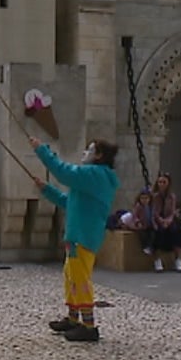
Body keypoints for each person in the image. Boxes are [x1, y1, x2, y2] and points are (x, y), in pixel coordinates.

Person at [30, 137, 120, 342]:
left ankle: (89, 326)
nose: (84, 153)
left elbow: (64, 172)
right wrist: (46, 189)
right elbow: (68, 202)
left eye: (89, 150)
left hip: (83, 236)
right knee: (71, 276)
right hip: (77, 236)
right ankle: (73, 319)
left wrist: (42, 150)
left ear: (99, 156)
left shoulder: (95, 175)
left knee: (80, 280)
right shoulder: (92, 178)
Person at [150, 172, 181, 273]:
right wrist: (161, 221)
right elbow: (155, 212)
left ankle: (178, 259)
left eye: (164, 182)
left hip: (169, 219)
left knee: (176, 231)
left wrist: (168, 221)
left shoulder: (172, 196)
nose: (161, 184)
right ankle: (157, 260)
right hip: (157, 220)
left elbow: (172, 211)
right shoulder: (155, 196)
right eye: (160, 182)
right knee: (158, 232)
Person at [121, 188, 155, 255]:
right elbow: (135, 216)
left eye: (146, 198)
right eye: (142, 198)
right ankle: (145, 246)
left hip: (148, 225)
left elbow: (152, 216)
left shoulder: (150, 207)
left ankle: (151, 246)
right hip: (139, 225)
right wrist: (138, 222)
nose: (144, 200)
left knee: (152, 233)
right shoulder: (138, 206)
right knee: (142, 234)